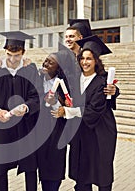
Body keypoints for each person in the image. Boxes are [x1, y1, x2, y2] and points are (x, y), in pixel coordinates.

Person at [52, 35, 117, 191]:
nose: (85, 62)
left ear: (96, 61)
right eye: (82, 58)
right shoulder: (74, 78)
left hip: (100, 132)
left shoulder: (102, 82)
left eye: (89, 59)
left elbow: (94, 110)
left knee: (101, 173)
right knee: (82, 174)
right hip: (81, 132)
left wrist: (67, 111)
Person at [0, 31, 41, 191]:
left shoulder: (30, 69)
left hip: (25, 127)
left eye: (16, 56)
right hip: (1, 127)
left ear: (23, 53)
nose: (12, 59)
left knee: (30, 167)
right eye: (9, 54)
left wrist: (27, 106)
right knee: (0, 169)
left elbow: (36, 96)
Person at [37, 50, 75, 191]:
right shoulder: (37, 78)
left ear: (59, 68)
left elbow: (69, 107)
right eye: (46, 60)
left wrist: (55, 102)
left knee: (54, 167)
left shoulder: (65, 84)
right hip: (39, 129)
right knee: (42, 166)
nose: (46, 64)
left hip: (57, 131)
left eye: (51, 62)